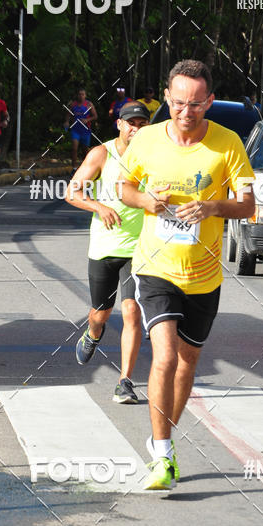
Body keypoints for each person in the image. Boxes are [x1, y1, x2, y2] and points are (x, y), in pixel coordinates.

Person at [118, 59, 255, 490]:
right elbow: (123, 189)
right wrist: (147, 201)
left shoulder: (228, 144)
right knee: (164, 356)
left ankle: (162, 439)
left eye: (195, 104)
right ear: (168, 99)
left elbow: (249, 206)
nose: (185, 112)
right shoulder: (147, 141)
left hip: (204, 274)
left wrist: (213, 206)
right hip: (155, 268)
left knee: (187, 363)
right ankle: (163, 458)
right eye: (178, 103)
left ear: (208, 102)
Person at [66, 102, 150, 404]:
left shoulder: (153, 157)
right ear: (120, 125)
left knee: (131, 311)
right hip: (104, 248)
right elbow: (72, 192)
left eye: (142, 123)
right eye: (132, 123)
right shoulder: (102, 154)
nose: (136, 129)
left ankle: (125, 381)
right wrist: (98, 206)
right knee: (100, 314)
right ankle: (92, 333)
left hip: (138, 249)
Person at [64, 88, 98, 173]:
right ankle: (74, 168)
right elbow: (68, 115)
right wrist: (67, 122)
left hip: (86, 130)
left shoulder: (89, 104)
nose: (81, 96)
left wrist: (87, 120)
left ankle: (85, 168)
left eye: (83, 94)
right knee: (74, 148)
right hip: (75, 130)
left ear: (85, 95)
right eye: (79, 94)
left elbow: (95, 116)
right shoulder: (73, 104)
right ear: (77, 95)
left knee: (85, 150)